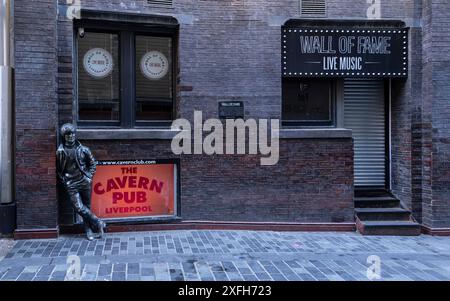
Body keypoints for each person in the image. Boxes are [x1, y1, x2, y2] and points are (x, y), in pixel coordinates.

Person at [56, 123, 106, 240]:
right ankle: (98, 222)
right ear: (64, 136)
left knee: (86, 208)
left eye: (73, 133)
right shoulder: (60, 151)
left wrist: (89, 177)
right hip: (71, 184)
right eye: (68, 134)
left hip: (84, 181)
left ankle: (89, 231)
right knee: (79, 207)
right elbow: (58, 169)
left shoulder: (83, 149)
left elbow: (93, 163)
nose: (71, 136)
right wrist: (65, 180)